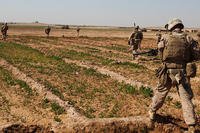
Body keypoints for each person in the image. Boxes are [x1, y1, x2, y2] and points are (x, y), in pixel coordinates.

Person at [149, 18, 199, 133]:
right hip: (182, 73)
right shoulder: (188, 38)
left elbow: (160, 55)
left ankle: (152, 112)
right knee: (186, 99)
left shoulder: (165, 38)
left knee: (161, 93)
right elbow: (196, 55)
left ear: (171, 27)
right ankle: (191, 125)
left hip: (167, 72)